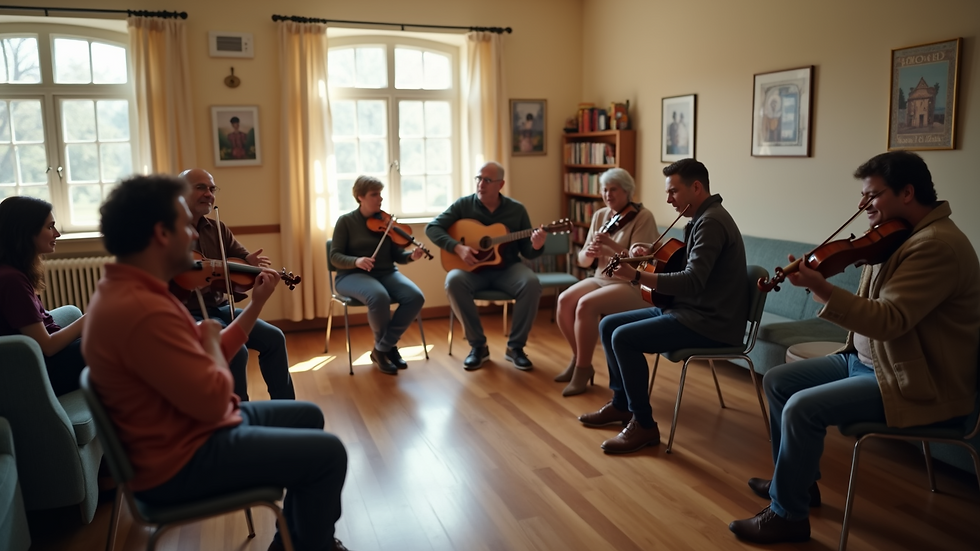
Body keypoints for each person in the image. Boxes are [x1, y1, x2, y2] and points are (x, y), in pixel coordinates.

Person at [83, 174, 350, 551]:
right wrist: (209, 342)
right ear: (162, 233)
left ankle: (294, 541)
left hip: (189, 430)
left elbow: (209, 358)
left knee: (306, 415)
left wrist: (254, 304)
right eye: (183, 227)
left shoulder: (135, 288)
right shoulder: (141, 310)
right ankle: (310, 546)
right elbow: (211, 399)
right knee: (329, 454)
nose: (193, 237)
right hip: (181, 459)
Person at [729, 151, 980, 544]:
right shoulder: (899, 235)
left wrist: (821, 288)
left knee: (801, 407)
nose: (863, 206)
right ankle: (797, 483)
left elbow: (888, 320)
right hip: (869, 361)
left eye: (872, 196)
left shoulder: (936, 246)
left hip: (911, 378)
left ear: (908, 192)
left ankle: (788, 515)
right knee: (779, 382)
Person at [578, 158, 747, 454]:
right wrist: (652, 255)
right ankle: (621, 405)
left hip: (708, 321)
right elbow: (689, 267)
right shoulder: (699, 218)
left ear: (696, 187)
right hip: (687, 310)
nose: (668, 199)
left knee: (623, 337)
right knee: (608, 324)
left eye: (673, 191)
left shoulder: (711, 222)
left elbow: (693, 281)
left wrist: (637, 275)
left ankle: (643, 424)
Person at [171, 168, 295, 401]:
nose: (209, 193)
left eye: (211, 188)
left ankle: (284, 407)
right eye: (201, 187)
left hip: (221, 309)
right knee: (238, 351)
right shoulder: (167, 232)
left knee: (274, 338)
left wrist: (251, 264)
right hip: (189, 314)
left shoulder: (218, 229)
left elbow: (242, 260)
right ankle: (241, 417)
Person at [426, 161, 547, 370]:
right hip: (473, 271)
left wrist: (537, 245)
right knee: (453, 280)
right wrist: (458, 248)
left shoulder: (516, 210)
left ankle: (515, 348)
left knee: (531, 283)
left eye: (487, 180)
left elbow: (527, 251)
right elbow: (432, 228)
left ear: (500, 185)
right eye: (479, 179)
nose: (481, 184)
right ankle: (478, 346)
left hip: (507, 269)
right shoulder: (464, 205)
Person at [554, 168, 658, 396]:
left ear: (627, 191)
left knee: (586, 305)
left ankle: (581, 370)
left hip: (629, 284)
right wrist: (590, 252)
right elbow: (582, 261)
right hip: (600, 278)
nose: (607, 194)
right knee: (564, 301)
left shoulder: (643, 217)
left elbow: (641, 261)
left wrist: (610, 245)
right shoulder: (600, 215)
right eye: (604, 189)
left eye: (613, 189)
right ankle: (580, 359)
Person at [329, 176, 426, 375]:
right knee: (378, 296)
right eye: (374, 195)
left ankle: (383, 347)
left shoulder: (387, 222)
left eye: (380, 194)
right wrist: (356, 261)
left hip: (387, 273)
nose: (380, 199)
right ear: (360, 197)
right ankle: (386, 350)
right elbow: (335, 256)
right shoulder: (346, 221)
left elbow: (398, 256)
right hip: (350, 276)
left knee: (415, 297)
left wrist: (413, 257)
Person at [0, 196, 86, 396]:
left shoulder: (13, 271)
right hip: (39, 370)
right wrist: (89, 319)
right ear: (26, 232)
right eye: (50, 227)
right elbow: (46, 346)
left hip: (44, 360)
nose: (57, 234)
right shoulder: (11, 280)